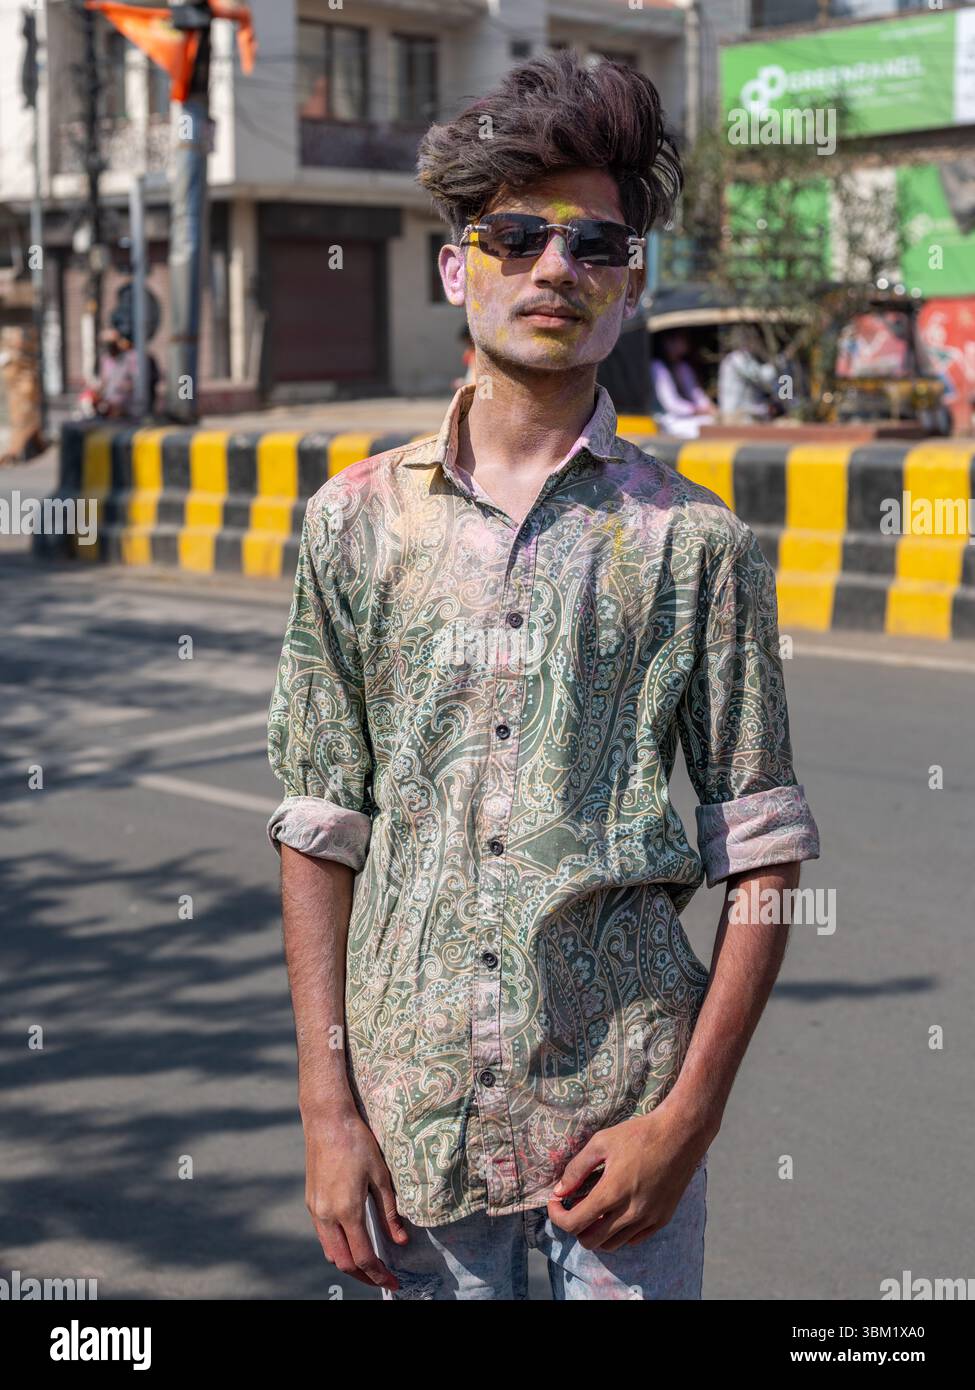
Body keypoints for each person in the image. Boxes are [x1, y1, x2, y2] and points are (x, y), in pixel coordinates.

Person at [266, 52, 820, 1302]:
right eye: (517, 235)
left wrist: (689, 1121)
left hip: (621, 1155)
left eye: (596, 243)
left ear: (632, 282)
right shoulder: (353, 526)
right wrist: (326, 1111)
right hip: (416, 1149)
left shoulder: (697, 547)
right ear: (459, 264)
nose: (557, 268)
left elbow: (766, 850)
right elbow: (320, 823)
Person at [650, 328, 715, 438]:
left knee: (712, 423)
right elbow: (671, 404)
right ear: (667, 342)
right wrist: (697, 410)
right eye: (681, 338)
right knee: (701, 429)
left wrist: (709, 407)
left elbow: (695, 393)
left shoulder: (682, 366)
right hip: (665, 420)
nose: (685, 342)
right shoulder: (657, 367)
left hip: (686, 417)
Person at [718, 325, 780, 422]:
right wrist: (778, 364)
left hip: (743, 413)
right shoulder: (737, 358)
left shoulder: (745, 358)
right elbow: (760, 376)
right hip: (735, 415)